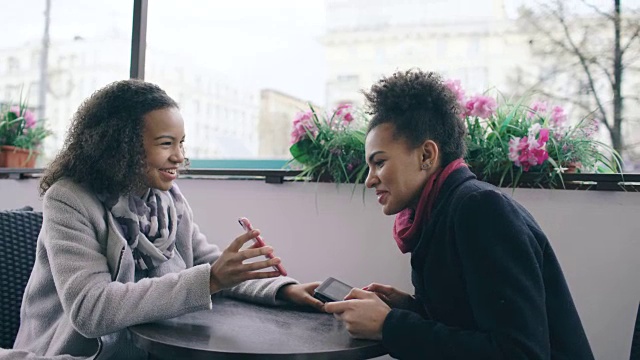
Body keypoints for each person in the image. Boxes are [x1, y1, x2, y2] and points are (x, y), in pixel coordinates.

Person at [7, 80, 323, 360]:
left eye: (181, 142)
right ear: (122, 146)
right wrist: (211, 280)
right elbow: (91, 309)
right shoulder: (69, 199)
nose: (179, 156)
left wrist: (282, 290)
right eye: (165, 143)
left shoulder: (166, 199)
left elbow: (206, 261)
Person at [323, 70, 595, 359]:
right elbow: (472, 322)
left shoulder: (481, 209)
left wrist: (390, 325)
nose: (370, 179)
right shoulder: (437, 211)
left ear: (427, 155)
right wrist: (409, 309)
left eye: (379, 162)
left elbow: (521, 352)